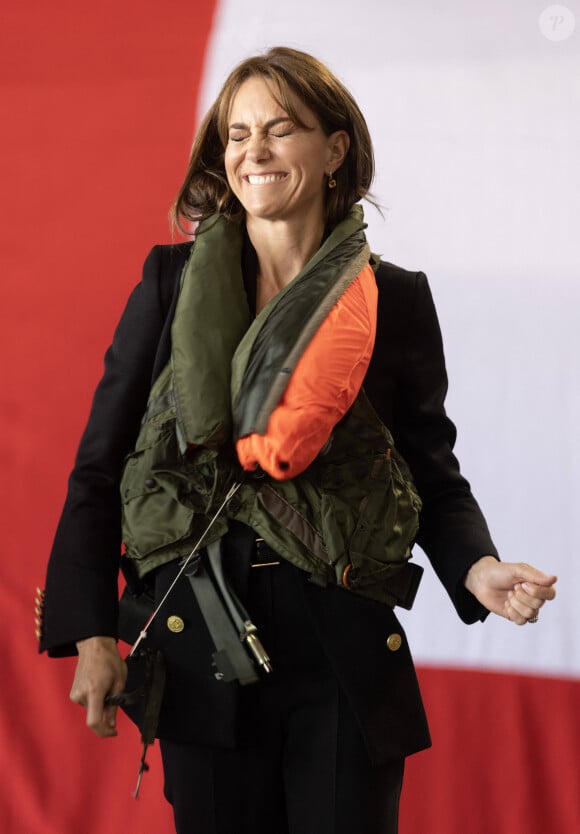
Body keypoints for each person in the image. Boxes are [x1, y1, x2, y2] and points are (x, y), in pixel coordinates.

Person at [39, 46, 557, 834]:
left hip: (342, 643)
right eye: (238, 133)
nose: (254, 151)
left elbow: (430, 470)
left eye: (281, 129)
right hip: (201, 636)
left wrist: (477, 568)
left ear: (335, 148)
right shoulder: (169, 283)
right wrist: (91, 632)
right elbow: (100, 466)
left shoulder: (394, 298)